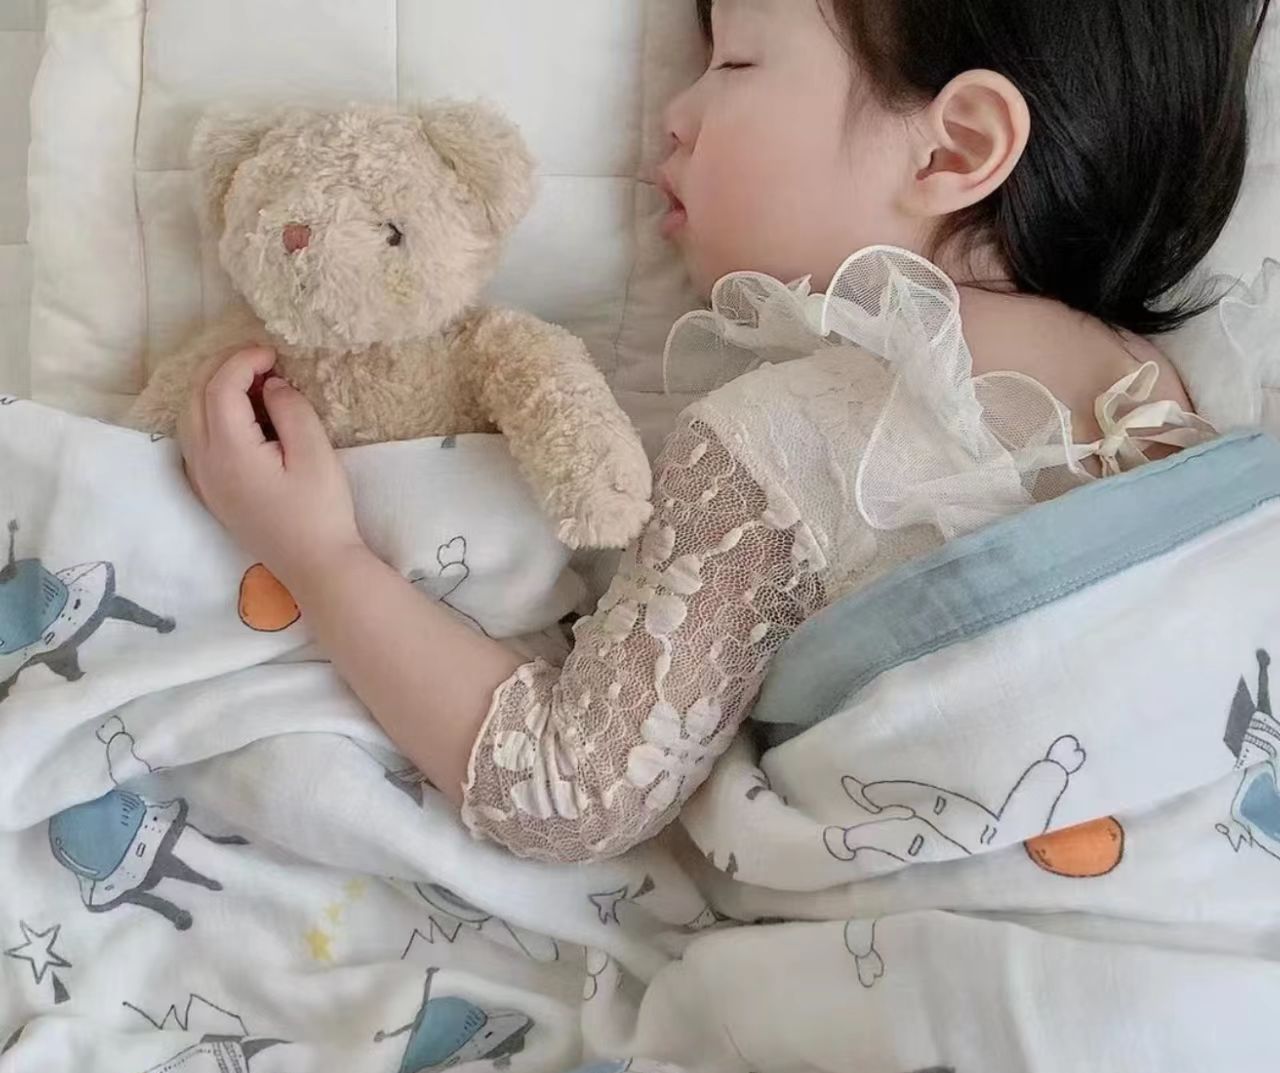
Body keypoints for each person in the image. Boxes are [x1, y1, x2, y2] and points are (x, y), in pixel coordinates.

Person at [175, 0, 1272, 862]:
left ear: (952, 150)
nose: (673, 112)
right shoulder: (1181, 387)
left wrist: (319, 557)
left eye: (734, 63)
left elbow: (566, 788)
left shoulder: (793, 433)